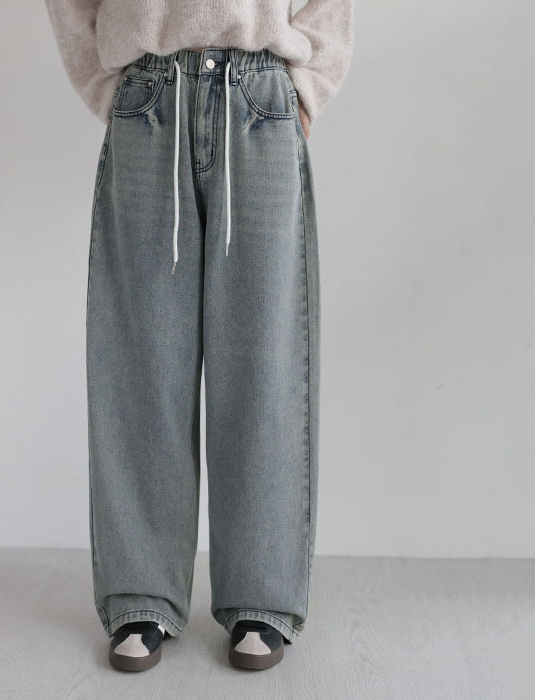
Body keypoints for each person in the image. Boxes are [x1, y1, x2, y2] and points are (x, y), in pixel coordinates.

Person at [44, 0, 354, 671]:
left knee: (265, 362)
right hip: (148, 101)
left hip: (260, 98)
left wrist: (307, 86)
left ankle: (261, 596)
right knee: (143, 359)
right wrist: (107, 84)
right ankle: (141, 594)